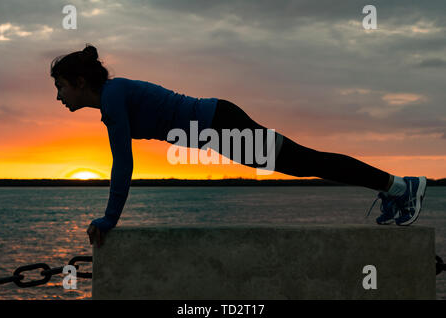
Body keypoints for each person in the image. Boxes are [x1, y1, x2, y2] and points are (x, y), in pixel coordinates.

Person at [50, 44, 427, 248]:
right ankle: (394, 187)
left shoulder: (114, 98)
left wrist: (110, 219)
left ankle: (399, 186)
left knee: (309, 162)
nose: (58, 96)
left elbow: (123, 165)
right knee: (305, 163)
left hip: (222, 124)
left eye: (60, 87)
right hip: (221, 127)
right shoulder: (113, 100)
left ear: (80, 82)